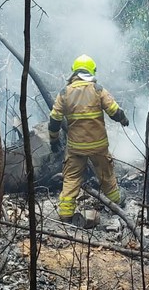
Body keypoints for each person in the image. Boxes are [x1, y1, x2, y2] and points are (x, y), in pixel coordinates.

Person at [49, 54, 130, 223]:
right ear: (92, 71)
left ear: (74, 71)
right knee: (107, 177)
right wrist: (123, 120)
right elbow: (114, 111)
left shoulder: (64, 93)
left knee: (71, 179)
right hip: (98, 146)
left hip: (76, 147)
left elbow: (54, 120)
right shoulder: (98, 89)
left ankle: (65, 213)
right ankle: (116, 201)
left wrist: (54, 140)